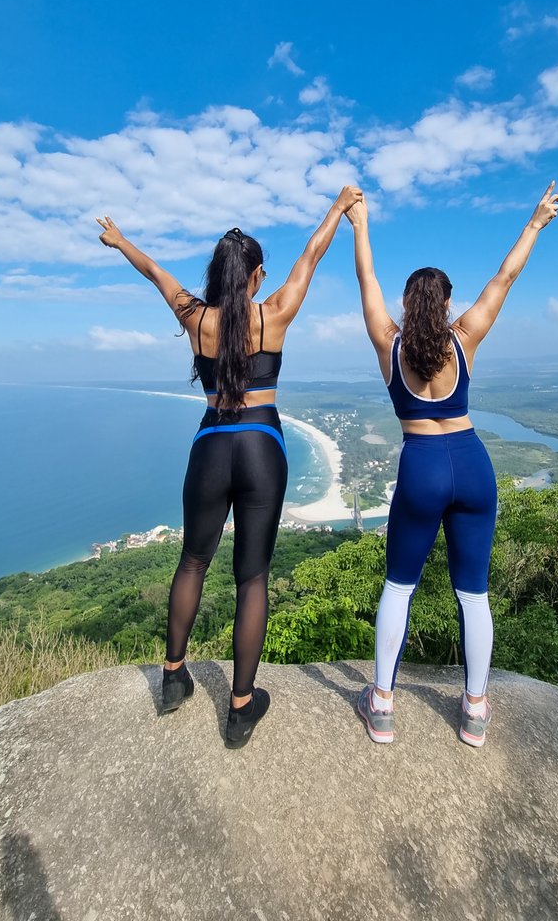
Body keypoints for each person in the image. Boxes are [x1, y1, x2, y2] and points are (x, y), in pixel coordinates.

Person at [97, 185, 362, 747]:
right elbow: (311, 256)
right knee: (253, 577)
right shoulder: (276, 313)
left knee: (193, 560)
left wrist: (121, 242)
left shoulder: (195, 318)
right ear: (258, 275)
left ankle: (173, 678)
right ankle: (240, 709)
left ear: (218, 275)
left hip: (212, 445)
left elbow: (156, 274)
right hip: (263, 446)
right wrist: (338, 209)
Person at [345, 182, 558, 746]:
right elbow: (505, 279)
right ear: (444, 304)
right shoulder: (465, 338)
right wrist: (535, 223)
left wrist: (360, 223)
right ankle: (474, 711)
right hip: (472, 465)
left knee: (398, 587)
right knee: (473, 593)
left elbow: (365, 281)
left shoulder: (388, 344)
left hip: (420, 468)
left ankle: (384, 707)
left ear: (406, 303)